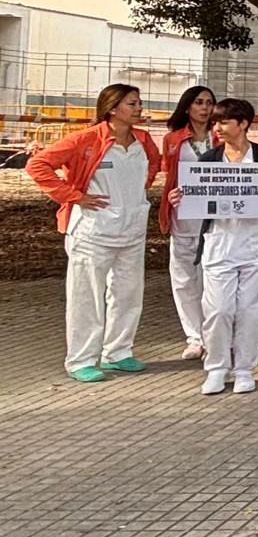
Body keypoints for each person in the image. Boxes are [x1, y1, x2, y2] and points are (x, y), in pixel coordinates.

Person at [26, 84, 161, 383]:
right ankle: (81, 359)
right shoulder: (86, 139)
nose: (138, 109)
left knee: (128, 294)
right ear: (112, 108)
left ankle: (118, 351)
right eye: (132, 104)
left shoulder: (144, 140)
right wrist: (73, 195)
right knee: (86, 297)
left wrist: (137, 194)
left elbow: (154, 164)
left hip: (132, 229)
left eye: (138, 103)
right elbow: (38, 165)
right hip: (92, 230)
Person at [181, 98, 258, 395]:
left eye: (223, 122)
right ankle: (216, 367)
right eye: (215, 122)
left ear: (243, 124)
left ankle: (243, 368)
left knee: (251, 310)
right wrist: (184, 199)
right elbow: (196, 195)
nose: (217, 128)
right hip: (220, 243)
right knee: (218, 310)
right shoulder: (209, 160)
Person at [159, 85, 216, 359]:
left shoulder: (221, 136)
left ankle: (212, 335)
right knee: (183, 280)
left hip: (213, 218)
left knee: (211, 279)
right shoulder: (173, 139)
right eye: (198, 102)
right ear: (187, 107)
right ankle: (194, 337)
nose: (204, 108)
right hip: (183, 216)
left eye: (209, 102)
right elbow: (169, 174)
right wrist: (170, 196)